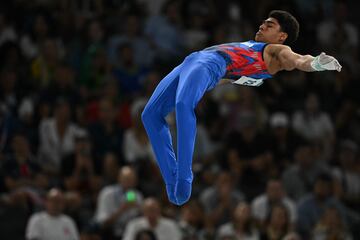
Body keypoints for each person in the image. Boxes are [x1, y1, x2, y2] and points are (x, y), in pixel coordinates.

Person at [141, 10, 342, 206]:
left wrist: (315, 63)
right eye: (263, 22)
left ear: (282, 37)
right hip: (194, 63)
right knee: (150, 115)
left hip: (208, 63)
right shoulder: (253, 53)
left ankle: (184, 179)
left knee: (183, 105)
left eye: (269, 25)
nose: (262, 25)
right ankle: (171, 181)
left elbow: (298, 60)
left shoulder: (277, 50)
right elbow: (226, 76)